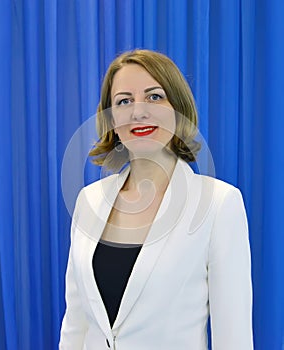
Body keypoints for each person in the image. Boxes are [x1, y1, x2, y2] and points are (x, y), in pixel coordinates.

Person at [59, 49, 253, 349]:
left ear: (178, 108)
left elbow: (234, 336)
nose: (138, 112)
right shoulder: (89, 201)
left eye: (154, 96)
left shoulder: (219, 204)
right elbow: (76, 325)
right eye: (124, 101)